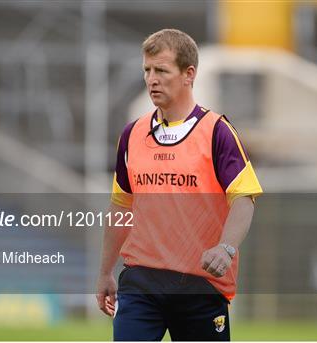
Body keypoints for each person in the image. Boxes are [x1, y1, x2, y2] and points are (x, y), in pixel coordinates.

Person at [96, 29, 262, 341]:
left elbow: (243, 198)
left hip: (200, 285)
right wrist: (105, 272)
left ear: (189, 75)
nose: (151, 79)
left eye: (161, 70)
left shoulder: (217, 132)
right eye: (147, 70)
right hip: (140, 282)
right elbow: (120, 207)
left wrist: (226, 248)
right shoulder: (132, 135)